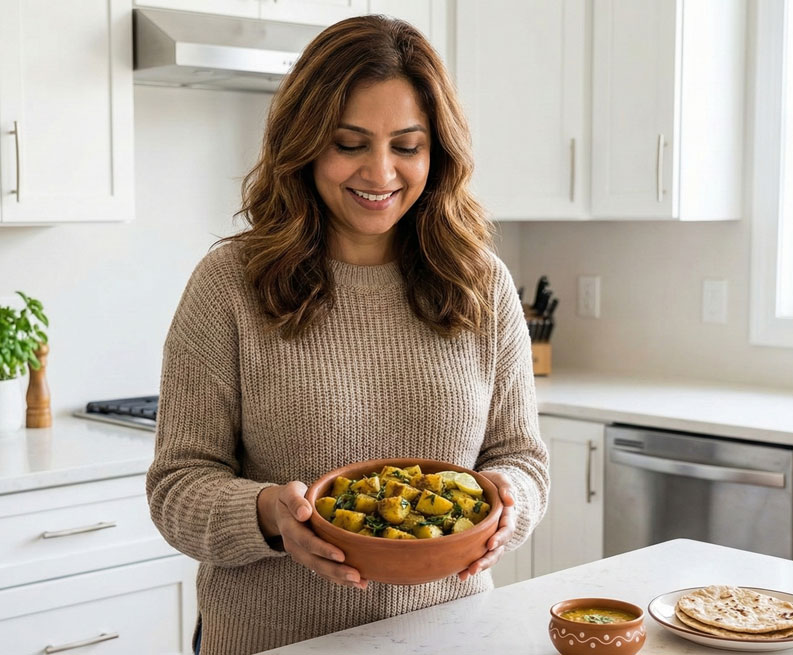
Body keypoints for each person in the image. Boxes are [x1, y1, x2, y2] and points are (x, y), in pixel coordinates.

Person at [146, 14, 549, 655]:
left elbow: (520, 459)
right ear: (304, 144)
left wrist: (510, 506)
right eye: (350, 142)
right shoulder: (230, 283)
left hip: (451, 637)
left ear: (436, 153)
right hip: (272, 641)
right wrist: (273, 517)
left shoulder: (481, 282)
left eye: (407, 146)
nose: (380, 172)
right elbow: (177, 487)